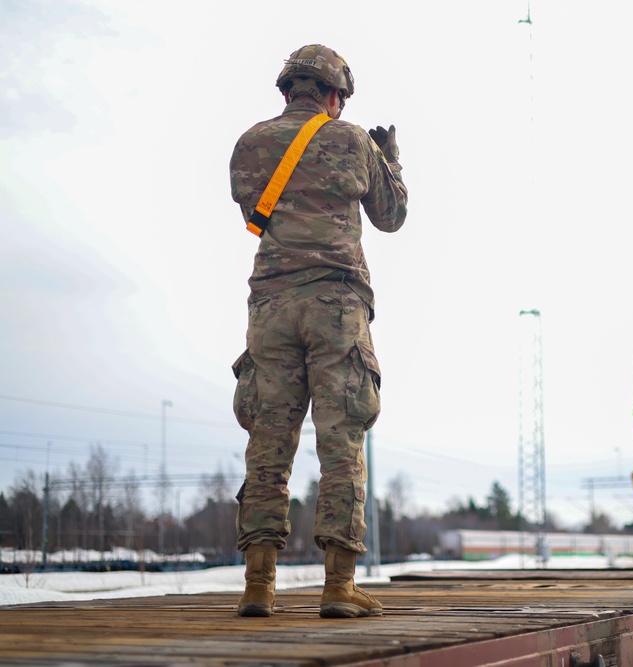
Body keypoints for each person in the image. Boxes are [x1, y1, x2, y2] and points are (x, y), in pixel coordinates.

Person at [229, 44, 407, 619]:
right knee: (340, 443)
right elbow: (391, 215)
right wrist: (390, 161)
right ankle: (339, 585)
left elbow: (254, 210)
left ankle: (259, 585)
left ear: (287, 90)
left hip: (272, 305)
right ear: (333, 94)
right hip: (336, 304)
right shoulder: (351, 139)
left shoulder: (251, 142)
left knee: (268, 446)